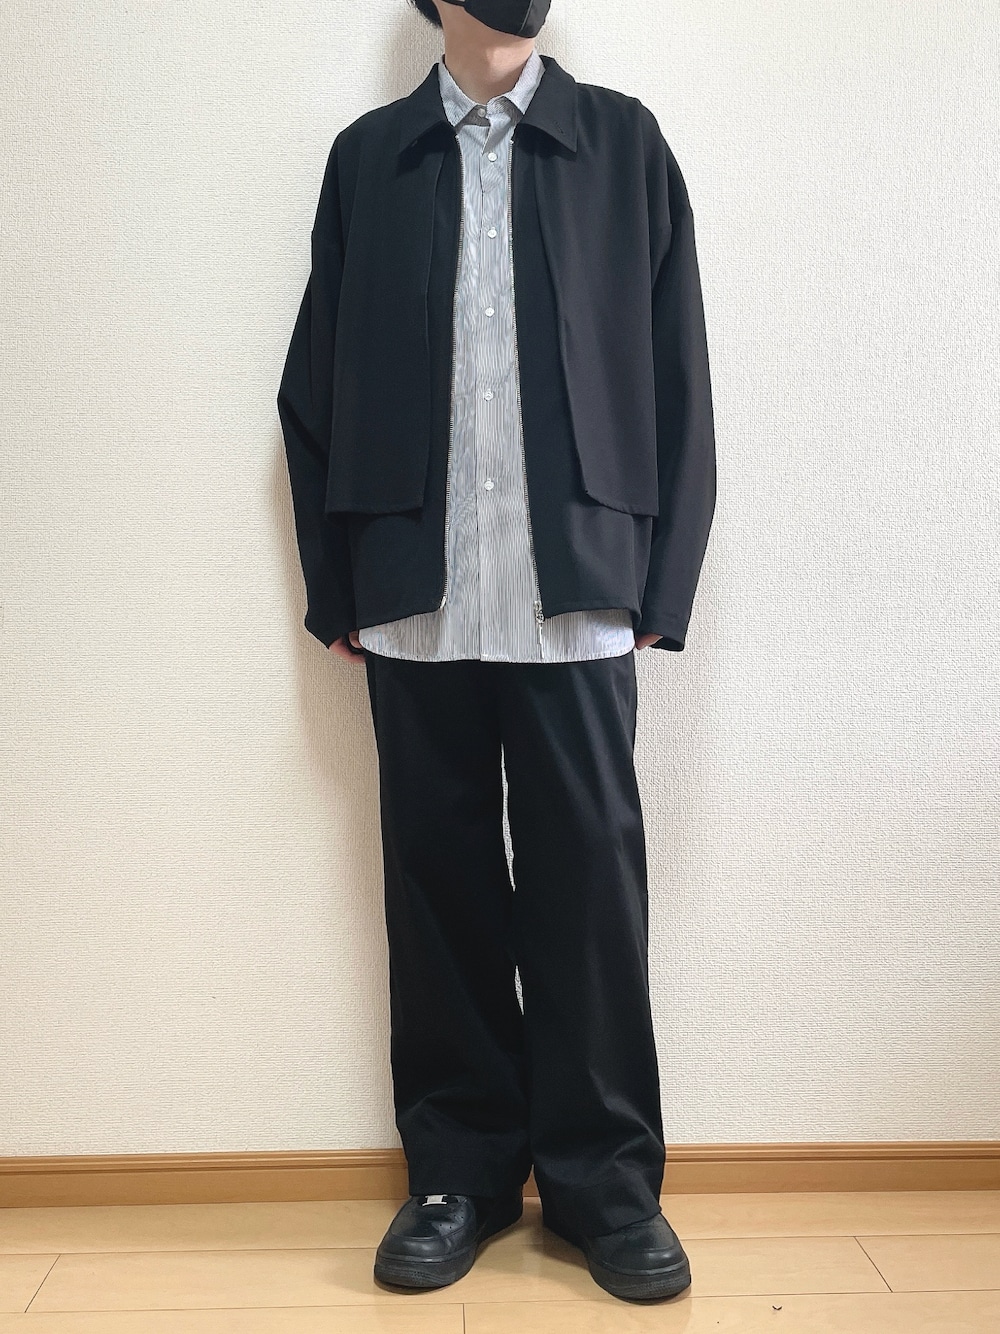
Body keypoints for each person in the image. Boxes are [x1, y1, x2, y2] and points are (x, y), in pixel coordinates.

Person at [277, 0, 716, 1304]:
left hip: (578, 595)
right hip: (416, 596)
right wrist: (339, 584)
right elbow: (312, 385)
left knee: (591, 892)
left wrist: (662, 581)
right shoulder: (371, 159)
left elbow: (679, 373)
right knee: (438, 888)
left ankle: (605, 1185)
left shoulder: (623, 147)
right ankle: (457, 1173)